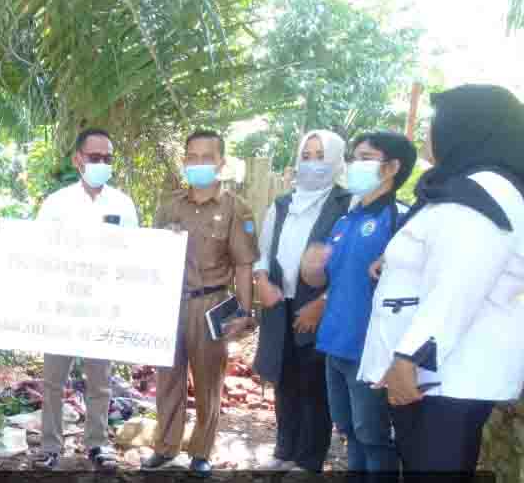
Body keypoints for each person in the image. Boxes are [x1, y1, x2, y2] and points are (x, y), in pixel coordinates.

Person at [358, 85, 524, 477]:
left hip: (445, 378)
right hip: (441, 377)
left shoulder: (484, 191)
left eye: (437, 122)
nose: (428, 132)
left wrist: (409, 358)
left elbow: (459, 285)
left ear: (467, 126)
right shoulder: (465, 187)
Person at [299, 131, 417, 475]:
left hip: (371, 349)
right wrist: (312, 268)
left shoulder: (402, 220)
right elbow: (329, 280)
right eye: (354, 157)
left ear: (392, 167)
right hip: (335, 342)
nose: (354, 165)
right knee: (349, 431)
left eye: (366, 158)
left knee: (373, 436)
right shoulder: (345, 220)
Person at [144, 129, 258, 477]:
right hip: (169, 303)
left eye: (207, 157)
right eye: (192, 157)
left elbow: (243, 264)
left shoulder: (236, 208)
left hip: (210, 303)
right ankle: (165, 447)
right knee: (167, 378)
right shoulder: (170, 206)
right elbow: (150, 256)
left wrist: (243, 311)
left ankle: (202, 451)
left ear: (221, 162)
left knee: (208, 380)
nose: (198, 163)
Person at [32, 128, 139, 470]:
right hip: (63, 305)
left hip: (103, 307)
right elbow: (39, 253)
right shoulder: (56, 204)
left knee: (100, 381)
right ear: (77, 159)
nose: (101, 164)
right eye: (95, 158)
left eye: (107, 159)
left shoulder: (122, 204)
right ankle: (50, 447)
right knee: (52, 381)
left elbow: (136, 256)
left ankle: (97, 443)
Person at [252, 130, 350, 472]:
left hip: (322, 307)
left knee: (314, 382)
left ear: (337, 159)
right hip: (281, 303)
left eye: (320, 155)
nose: (312, 164)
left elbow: (351, 266)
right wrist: (261, 280)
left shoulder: (347, 204)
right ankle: (284, 449)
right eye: (306, 155)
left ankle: (309, 458)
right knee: (284, 377)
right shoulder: (282, 204)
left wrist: (322, 303)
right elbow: (263, 253)